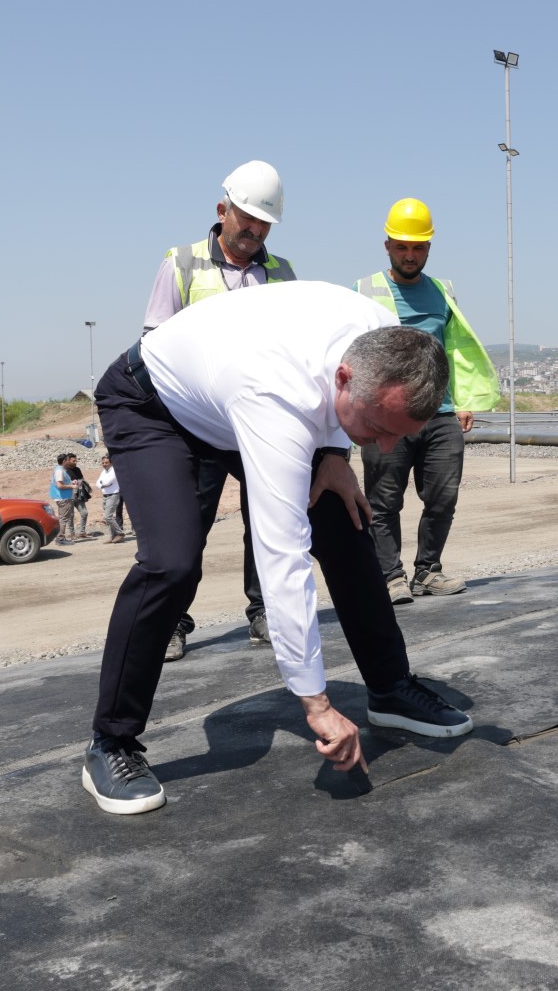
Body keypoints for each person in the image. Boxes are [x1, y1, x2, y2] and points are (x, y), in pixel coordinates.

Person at [83, 281, 474, 815]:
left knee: (347, 524)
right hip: (153, 406)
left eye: (398, 436)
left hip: (231, 394)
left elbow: (344, 413)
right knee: (171, 562)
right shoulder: (277, 399)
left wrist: (336, 452)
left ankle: (390, 687)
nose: (384, 447)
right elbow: (282, 557)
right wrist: (317, 704)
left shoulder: (381, 334)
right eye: (377, 429)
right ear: (345, 379)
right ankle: (110, 742)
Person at [142, 160, 299, 658]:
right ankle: (171, 621)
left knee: (269, 522)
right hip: (197, 424)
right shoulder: (182, 263)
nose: (255, 230)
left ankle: (265, 612)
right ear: (221, 210)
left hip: (259, 424)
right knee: (186, 528)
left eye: (264, 222)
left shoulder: (282, 273)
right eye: (247, 218)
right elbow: (154, 345)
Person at [354, 198, 500, 604]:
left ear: (429, 248)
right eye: (402, 246)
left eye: (417, 247)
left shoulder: (442, 291)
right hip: (385, 419)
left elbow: (452, 349)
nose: (409, 255)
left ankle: (428, 571)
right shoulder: (364, 290)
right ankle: (390, 576)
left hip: (440, 413)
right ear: (387, 246)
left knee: (443, 497)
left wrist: (463, 400)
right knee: (384, 501)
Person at [97, 454, 129, 543]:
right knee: (109, 517)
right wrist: (102, 484)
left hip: (113, 495)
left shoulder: (114, 471)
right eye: (103, 463)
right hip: (105, 495)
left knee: (108, 516)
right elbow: (97, 483)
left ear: (111, 463)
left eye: (106, 462)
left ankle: (120, 533)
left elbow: (107, 482)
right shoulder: (103, 472)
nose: (104, 464)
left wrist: (103, 483)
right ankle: (112, 536)